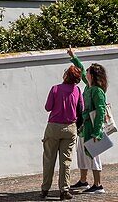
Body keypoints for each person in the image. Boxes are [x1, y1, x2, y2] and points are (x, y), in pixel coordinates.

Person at [68, 48, 109, 194]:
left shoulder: (97, 91)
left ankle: (98, 185)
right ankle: (83, 181)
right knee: (82, 154)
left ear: (94, 75)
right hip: (84, 127)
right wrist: (74, 57)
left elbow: (100, 111)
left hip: (92, 128)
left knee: (94, 156)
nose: (87, 73)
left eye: (90, 72)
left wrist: (97, 132)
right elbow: (82, 71)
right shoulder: (88, 86)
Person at [41, 63, 84, 200]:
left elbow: (48, 107)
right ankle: (64, 190)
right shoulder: (77, 91)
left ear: (66, 75)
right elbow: (81, 110)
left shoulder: (55, 89)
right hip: (70, 128)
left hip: (53, 127)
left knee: (49, 159)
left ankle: (45, 189)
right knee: (66, 161)